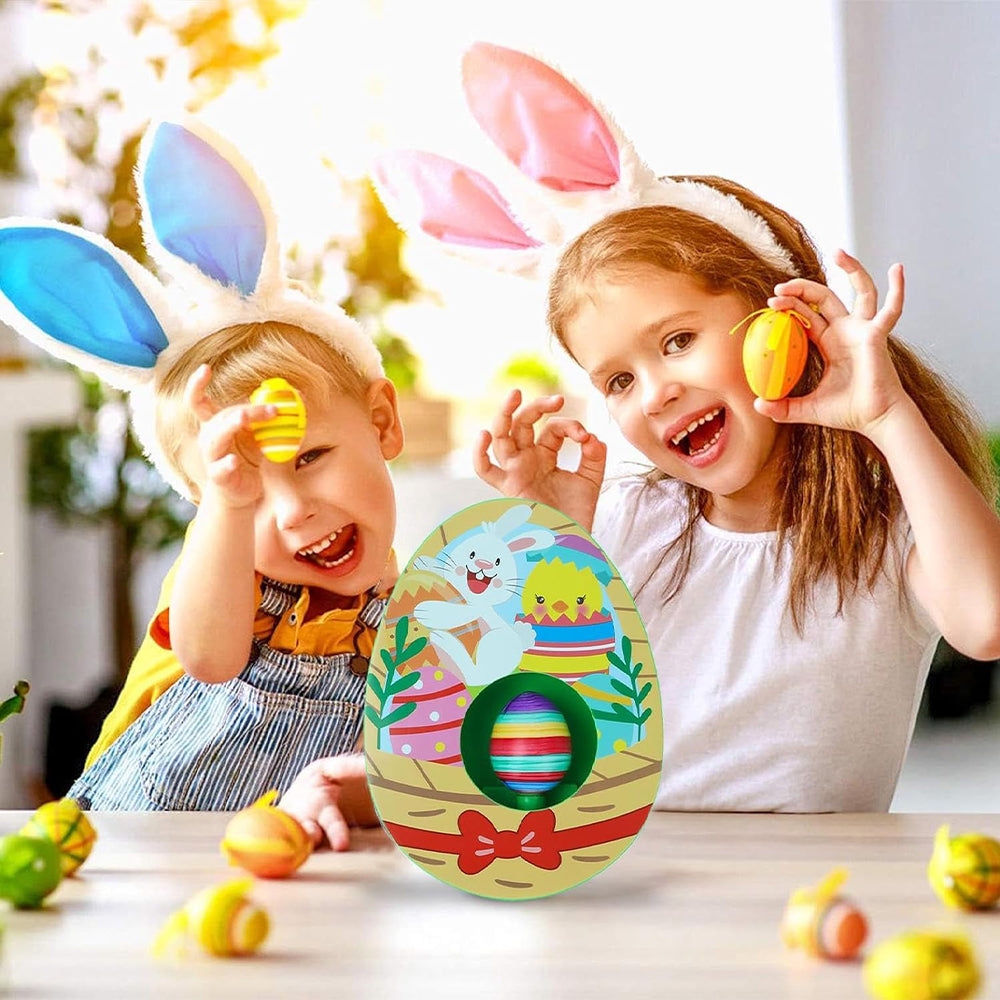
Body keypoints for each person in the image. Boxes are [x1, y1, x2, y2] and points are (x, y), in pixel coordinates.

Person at [373, 42, 1000, 811]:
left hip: (805, 879)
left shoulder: (882, 527)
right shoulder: (626, 521)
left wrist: (888, 415)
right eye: (619, 381)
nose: (656, 393)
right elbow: (514, 739)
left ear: (780, 317)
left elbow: (986, 621)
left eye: (677, 341)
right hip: (630, 868)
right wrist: (551, 534)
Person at [0, 117, 393, 841]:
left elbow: (445, 764)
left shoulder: (423, 613)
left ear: (383, 421)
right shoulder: (224, 580)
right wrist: (227, 512)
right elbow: (211, 659)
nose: (293, 512)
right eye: (244, 490)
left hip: (301, 866)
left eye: (309, 457)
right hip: (136, 849)